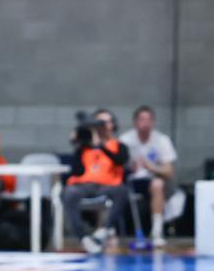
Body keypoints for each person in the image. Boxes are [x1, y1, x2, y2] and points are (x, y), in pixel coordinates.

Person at [63, 109, 129, 254]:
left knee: (122, 190)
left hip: (107, 186)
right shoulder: (85, 146)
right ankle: (83, 238)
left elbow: (120, 160)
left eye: (106, 122)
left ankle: (105, 228)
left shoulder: (119, 146)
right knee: (69, 192)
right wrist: (79, 142)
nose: (102, 126)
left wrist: (102, 146)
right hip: (85, 185)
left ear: (113, 125)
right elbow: (76, 170)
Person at [120, 106, 178, 248]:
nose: (145, 123)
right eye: (142, 119)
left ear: (153, 122)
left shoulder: (162, 140)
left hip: (152, 180)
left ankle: (157, 232)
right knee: (111, 187)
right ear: (135, 122)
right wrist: (129, 167)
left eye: (149, 119)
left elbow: (169, 171)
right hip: (130, 181)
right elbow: (115, 166)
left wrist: (151, 167)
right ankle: (108, 231)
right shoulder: (125, 140)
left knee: (157, 184)